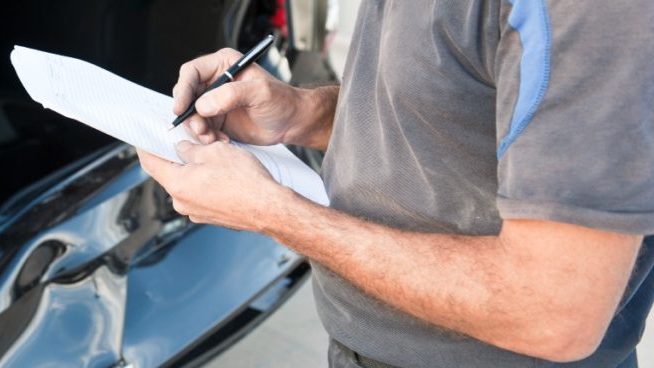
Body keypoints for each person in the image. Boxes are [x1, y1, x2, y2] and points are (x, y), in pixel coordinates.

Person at [137, 1, 654, 367]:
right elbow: (457, 107)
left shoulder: (595, 13)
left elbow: (553, 312)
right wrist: (302, 113)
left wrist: (275, 213)